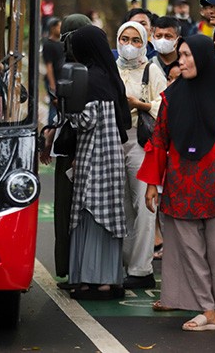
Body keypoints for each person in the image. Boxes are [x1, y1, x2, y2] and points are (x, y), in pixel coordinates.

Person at [138, 35, 215, 331]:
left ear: (203, 57)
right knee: (190, 251)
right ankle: (208, 311)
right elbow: (159, 140)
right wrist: (150, 184)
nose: (180, 61)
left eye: (186, 55)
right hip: (180, 185)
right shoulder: (172, 97)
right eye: (180, 56)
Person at [66, 25, 131, 300]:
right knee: (108, 214)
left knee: (90, 213)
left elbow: (85, 120)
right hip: (112, 156)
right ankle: (109, 278)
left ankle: (89, 279)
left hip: (93, 155)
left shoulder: (89, 78)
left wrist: (69, 108)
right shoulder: (110, 77)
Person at [40, 13, 93, 286]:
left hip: (79, 152)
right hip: (68, 147)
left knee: (74, 212)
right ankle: (74, 270)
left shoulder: (86, 69)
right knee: (67, 212)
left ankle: (80, 271)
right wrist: (51, 131)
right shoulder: (72, 64)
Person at [115, 21, 167, 289]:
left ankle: (141, 269)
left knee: (145, 206)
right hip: (115, 140)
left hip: (140, 140)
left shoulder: (152, 70)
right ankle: (124, 264)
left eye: (137, 40)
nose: (130, 45)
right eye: (125, 38)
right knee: (121, 205)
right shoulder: (112, 69)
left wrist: (140, 104)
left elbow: (165, 106)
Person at [42, 17, 64, 125]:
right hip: (53, 80)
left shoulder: (61, 43)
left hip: (61, 79)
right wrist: (52, 85)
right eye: (59, 26)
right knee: (54, 106)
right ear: (53, 27)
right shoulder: (48, 45)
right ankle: (51, 127)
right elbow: (49, 66)